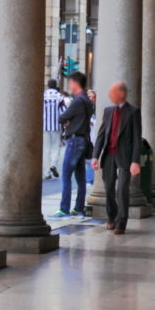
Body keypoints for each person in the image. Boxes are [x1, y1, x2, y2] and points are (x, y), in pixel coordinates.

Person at [90, 81, 141, 235]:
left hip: (125, 156)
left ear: (121, 94)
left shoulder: (133, 112)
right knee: (109, 189)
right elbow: (101, 135)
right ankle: (111, 217)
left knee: (122, 190)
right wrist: (95, 156)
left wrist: (135, 161)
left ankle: (121, 223)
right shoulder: (108, 111)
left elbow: (137, 138)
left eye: (112, 92)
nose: (109, 95)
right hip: (109, 155)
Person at [54, 72, 94, 217]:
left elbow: (62, 118)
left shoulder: (77, 101)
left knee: (66, 175)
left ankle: (64, 209)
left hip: (75, 140)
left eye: (70, 82)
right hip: (83, 140)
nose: (69, 85)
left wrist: (68, 121)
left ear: (76, 83)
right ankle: (78, 208)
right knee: (80, 177)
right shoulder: (87, 100)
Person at [41, 82, 65, 179]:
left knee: (46, 149)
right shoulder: (59, 97)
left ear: (48, 86)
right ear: (56, 86)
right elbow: (63, 111)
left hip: (44, 126)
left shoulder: (43, 96)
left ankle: (46, 173)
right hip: (56, 126)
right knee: (55, 147)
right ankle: (53, 165)